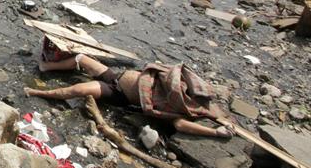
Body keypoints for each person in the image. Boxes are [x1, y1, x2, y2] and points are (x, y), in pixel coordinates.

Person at [23, 51, 234, 138]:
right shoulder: (175, 81)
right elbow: (218, 114)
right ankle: (47, 66)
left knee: (78, 90)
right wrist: (223, 121)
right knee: (81, 58)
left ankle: (37, 92)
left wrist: (215, 132)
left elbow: (180, 125)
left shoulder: (178, 107)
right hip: (117, 75)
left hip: (118, 93)